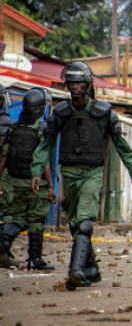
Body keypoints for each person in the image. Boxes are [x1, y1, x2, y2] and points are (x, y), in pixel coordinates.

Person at [30, 62, 132, 290]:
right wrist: (36, 172)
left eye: (80, 82)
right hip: (69, 172)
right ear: (68, 85)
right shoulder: (61, 112)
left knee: (84, 223)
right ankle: (91, 269)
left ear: (88, 84)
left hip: (92, 171)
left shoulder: (103, 112)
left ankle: (76, 271)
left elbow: (122, 146)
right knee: (74, 224)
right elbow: (46, 144)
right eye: (72, 83)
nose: (77, 87)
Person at [0, 88, 56, 270]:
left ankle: (3, 245)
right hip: (35, 183)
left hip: (15, 182)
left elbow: (4, 155)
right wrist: (51, 186)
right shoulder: (41, 130)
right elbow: (44, 160)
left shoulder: (13, 128)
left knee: (18, 218)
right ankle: (35, 259)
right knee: (36, 220)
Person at [0, 84, 17, 267]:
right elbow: (5, 154)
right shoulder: (5, 123)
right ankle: (3, 249)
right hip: (3, 172)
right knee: (10, 211)